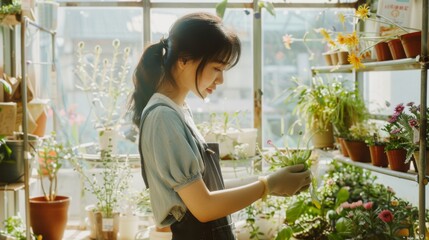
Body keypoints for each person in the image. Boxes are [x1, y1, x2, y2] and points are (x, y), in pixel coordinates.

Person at [130, 12, 312, 240]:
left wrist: (271, 180)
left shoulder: (178, 111)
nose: (221, 80)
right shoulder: (163, 118)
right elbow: (204, 207)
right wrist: (268, 186)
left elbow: (209, 189)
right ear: (183, 60)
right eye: (217, 68)